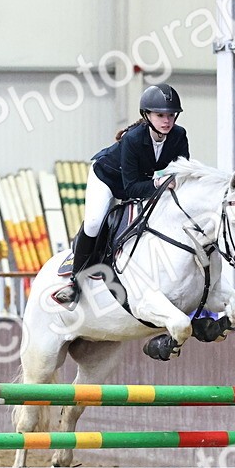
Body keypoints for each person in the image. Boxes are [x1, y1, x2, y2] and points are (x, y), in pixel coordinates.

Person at [52, 83, 190, 307]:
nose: (167, 120)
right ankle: (75, 283)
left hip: (139, 180)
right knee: (96, 223)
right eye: (160, 115)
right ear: (146, 115)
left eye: (171, 115)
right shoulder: (133, 139)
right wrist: (159, 182)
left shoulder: (179, 136)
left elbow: (183, 171)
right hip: (107, 178)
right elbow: (132, 187)